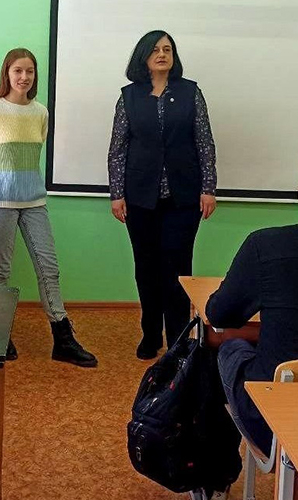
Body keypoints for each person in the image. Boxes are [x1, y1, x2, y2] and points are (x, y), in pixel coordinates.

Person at [200, 128, 298, 500]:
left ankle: (214, 477)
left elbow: (218, 313)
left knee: (221, 347)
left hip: (276, 423)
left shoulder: (267, 245)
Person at [0, 48, 97, 368]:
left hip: (34, 202)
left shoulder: (40, 113)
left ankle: (63, 339)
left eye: (29, 71)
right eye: (18, 71)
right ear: (7, 73)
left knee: (48, 268)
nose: (24, 77)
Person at [107, 30, 217, 359]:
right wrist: (116, 193)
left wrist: (208, 188)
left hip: (183, 198)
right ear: (144, 56)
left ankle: (178, 341)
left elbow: (205, 143)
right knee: (146, 268)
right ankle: (151, 335)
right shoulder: (129, 96)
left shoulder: (190, 93)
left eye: (167, 49)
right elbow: (117, 149)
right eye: (155, 49)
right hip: (140, 198)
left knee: (178, 270)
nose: (162, 54)